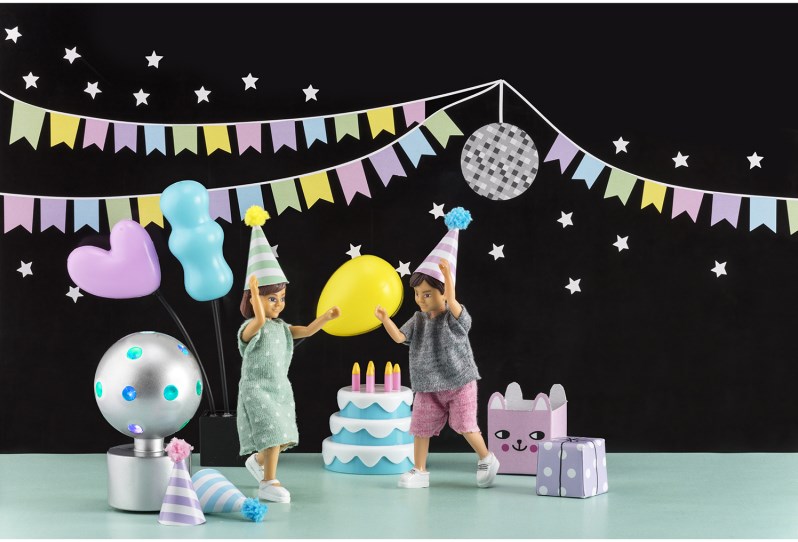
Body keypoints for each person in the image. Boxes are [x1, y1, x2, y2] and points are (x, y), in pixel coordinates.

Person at [374, 207, 499, 489]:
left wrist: (447, 279)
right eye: (417, 294)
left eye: (427, 294)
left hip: (459, 382)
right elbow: (399, 338)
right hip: (427, 385)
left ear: (443, 293)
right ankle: (419, 470)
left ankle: (486, 457)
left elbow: (454, 303)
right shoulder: (418, 319)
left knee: (465, 424)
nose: (420, 299)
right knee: (420, 427)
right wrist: (385, 320)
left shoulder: (455, 317)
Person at [237, 205, 340, 503]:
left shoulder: (281, 327)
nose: (279, 304)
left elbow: (305, 330)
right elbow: (256, 323)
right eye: (272, 298)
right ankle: (268, 482)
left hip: (280, 388)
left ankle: (258, 462)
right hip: (257, 389)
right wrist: (256, 302)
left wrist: (325, 318)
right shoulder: (251, 328)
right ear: (254, 300)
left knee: (280, 437)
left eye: (281, 298)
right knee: (271, 434)